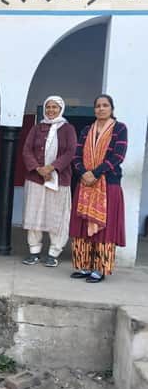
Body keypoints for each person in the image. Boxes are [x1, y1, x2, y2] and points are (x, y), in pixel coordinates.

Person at [69, 94, 127, 283]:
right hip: (85, 183)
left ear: (111, 108)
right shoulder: (87, 130)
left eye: (105, 105)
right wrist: (83, 172)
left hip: (108, 183)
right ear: (94, 109)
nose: (101, 108)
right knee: (82, 225)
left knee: (105, 227)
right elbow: (77, 156)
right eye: (98, 106)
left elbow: (118, 156)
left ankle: (99, 269)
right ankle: (84, 266)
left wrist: (95, 173)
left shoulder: (119, 129)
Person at [22, 95, 77, 267]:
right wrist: (39, 169)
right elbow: (27, 150)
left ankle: (54, 252)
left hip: (59, 179)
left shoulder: (68, 129)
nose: (51, 110)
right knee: (34, 214)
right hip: (36, 178)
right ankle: (34, 251)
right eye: (48, 107)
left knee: (57, 216)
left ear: (61, 109)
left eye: (55, 107)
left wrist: (51, 168)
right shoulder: (37, 128)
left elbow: (70, 152)